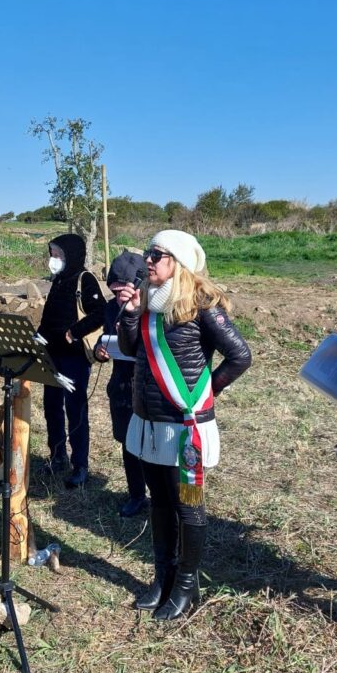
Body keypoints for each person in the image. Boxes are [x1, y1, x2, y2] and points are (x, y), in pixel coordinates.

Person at [118, 230, 252, 620]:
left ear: (177, 261)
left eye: (156, 254)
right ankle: (164, 575)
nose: (147, 260)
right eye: (148, 252)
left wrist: (208, 391)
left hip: (185, 426)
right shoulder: (148, 300)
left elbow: (240, 356)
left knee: (188, 507)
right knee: (159, 502)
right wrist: (128, 314)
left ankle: (187, 585)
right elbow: (129, 349)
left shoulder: (202, 306)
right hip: (147, 421)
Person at [37, 233, 105, 488]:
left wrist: (74, 332)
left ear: (72, 255)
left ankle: (80, 465)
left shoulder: (84, 280)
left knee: (75, 410)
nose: (53, 259)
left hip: (75, 357)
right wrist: (36, 339)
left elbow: (101, 313)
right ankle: (57, 457)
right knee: (51, 407)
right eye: (51, 254)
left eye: (58, 255)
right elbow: (49, 318)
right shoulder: (57, 281)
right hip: (51, 356)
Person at [93, 250, 149, 517]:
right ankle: (136, 495)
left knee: (153, 446)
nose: (119, 297)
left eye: (123, 291)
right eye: (114, 291)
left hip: (150, 387)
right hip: (121, 386)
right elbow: (105, 337)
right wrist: (99, 350)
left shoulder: (154, 306)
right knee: (127, 444)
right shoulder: (110, 307)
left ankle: (161, 497)